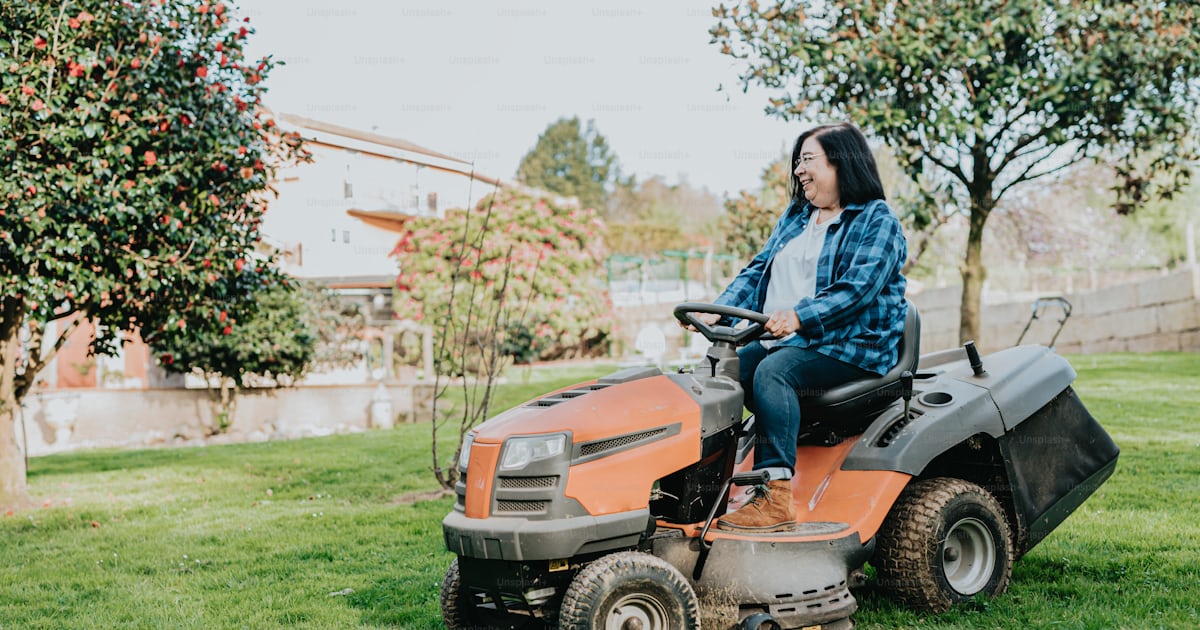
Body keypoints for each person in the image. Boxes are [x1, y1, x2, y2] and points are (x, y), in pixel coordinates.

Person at [685, 122, 907, 532]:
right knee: (719, 374)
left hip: (852, 344)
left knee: (774, 372)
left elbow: (857, 289)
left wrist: (800, 316)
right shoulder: (797, 217)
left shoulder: (877, 220)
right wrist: (721, 310)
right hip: (793, 340)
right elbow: (759, 270)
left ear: (842, 162)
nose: (798, 170)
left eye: (808, 160)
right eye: (797, 161)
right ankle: (700, 487)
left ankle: (775, 498)